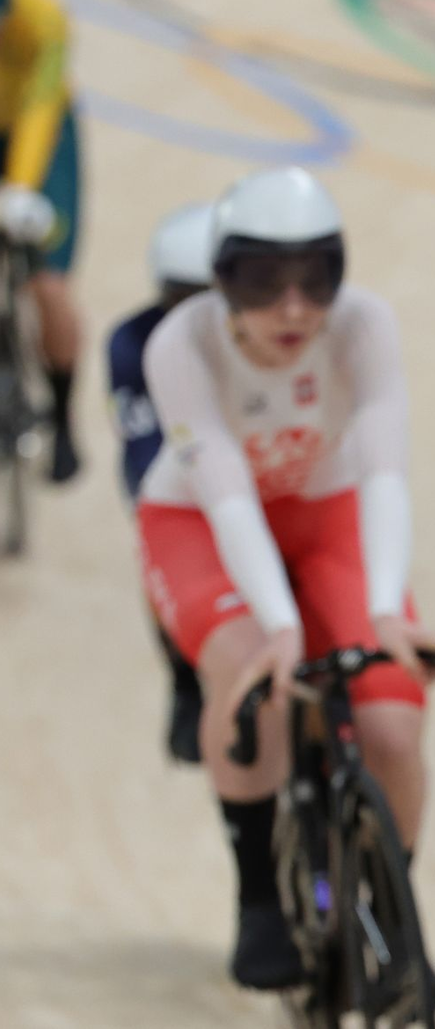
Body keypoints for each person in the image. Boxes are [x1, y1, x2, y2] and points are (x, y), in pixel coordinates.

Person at [136, 166, 435, 994]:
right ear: (221, 280)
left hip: (328, 512)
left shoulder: (363, 324)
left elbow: (386, 472)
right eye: (262, 280)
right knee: (254, 683)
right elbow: (226, 494)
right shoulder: (179, 343)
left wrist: (385, 611)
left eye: (315, 277)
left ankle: (392, 914)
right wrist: (281, 628)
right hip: (201, 523)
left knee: (392, 718)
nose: (292, 308)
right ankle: (258, 898)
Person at [107, 201, 213, 763]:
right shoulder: (131, 342)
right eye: (181, 298)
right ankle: (184, 679)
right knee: (157, 556)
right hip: (171, 473)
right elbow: (143, 456)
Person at [0, 0, 85, 482]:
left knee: (48, 285)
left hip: (42, 141)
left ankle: (63, 417)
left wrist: (21, 187)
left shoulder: (44, 17)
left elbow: (39, 108)